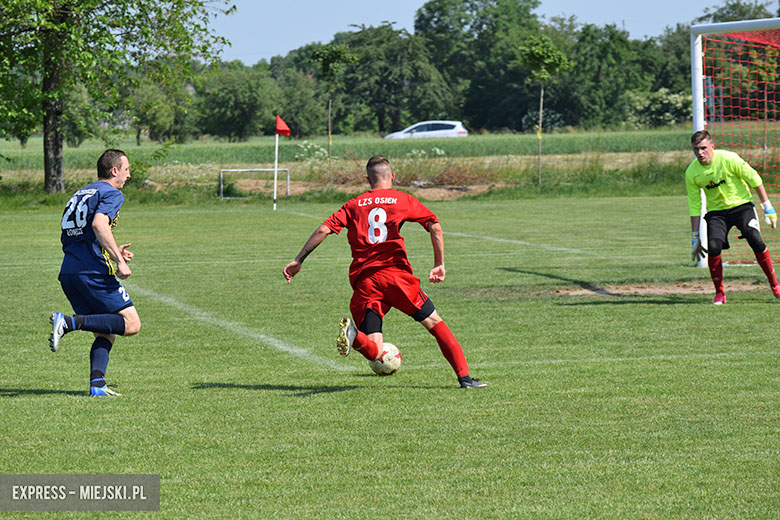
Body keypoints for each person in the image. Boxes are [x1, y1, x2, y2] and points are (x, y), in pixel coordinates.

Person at [283, 155, 486, 388]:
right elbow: (435, 226)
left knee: (374, 349)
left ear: (367, 179)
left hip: (366, 281)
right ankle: (465, 379)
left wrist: (299, 259)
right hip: (397, 278)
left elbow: (323, 229)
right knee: (434, 322)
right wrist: (439, 263)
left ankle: (354, 335)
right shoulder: (402, 199)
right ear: (393, 176)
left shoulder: (353, 204)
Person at [49, 149, 141, 396]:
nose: (128, 175)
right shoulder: (112, 193)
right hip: (92, 271)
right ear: (114, 171)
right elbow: (99, 224)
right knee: (131, 324)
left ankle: (97, 385)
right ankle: (68, 323)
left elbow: (80, 234)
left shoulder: (80, 194)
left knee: (106, 331)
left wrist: (114, 251)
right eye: (126, 169)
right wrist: (119, 262)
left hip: (69, 272)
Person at [686, 130, 779, 304]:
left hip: (742, 207)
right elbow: (695, 205)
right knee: (713, 246)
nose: (700, 153)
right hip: (716, 213)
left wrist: (768, 209)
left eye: (703, 148)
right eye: (696, 149)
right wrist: (695, 237)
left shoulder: (729, 159)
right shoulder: (692, 172)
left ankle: (775, 286)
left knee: (755, 239)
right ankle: (720, 293)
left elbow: (754, 179)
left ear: (712, 146)